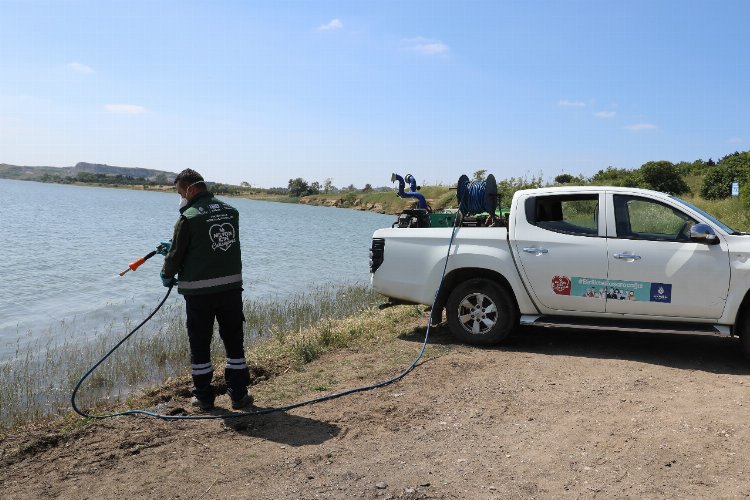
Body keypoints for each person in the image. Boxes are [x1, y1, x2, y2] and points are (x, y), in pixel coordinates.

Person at [159, 169, 252, 411]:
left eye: (181, 192)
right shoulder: (231, 212)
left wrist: (166, 273)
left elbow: (176, 256)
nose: (181, 197)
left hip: (200, 296)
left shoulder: (188, 217)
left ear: (190, 189)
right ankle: (239, 395)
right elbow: (216, 246)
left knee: (200, 345)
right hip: (231, 292)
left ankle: (203, 396)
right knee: (234, 344)